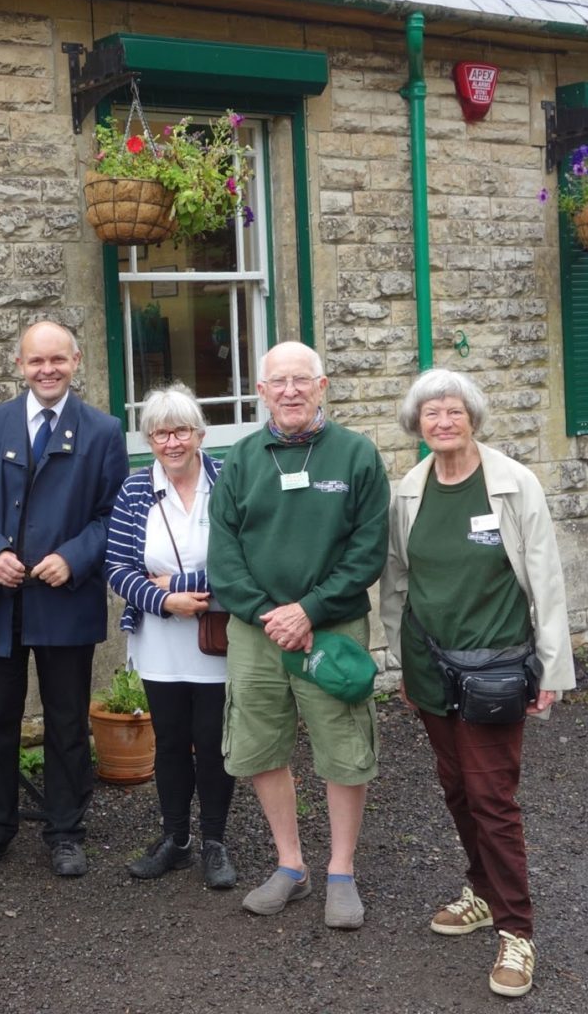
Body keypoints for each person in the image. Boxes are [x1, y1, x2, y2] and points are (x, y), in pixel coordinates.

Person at [380, 368, 575, 997]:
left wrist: (553, 666)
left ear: (473, 418)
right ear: (417, 425)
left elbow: (545, 581)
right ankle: (484, 892)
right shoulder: (409, 490)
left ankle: (518, 931)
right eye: (431, 413)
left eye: (453, 412)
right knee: (457, 788)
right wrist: (403, 663)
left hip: (495, 671)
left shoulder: (514, 485)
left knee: (493, 797)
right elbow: (397, 585)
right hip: (432, 668)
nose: (443, 422)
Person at [207, 341, 389, 930]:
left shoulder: (357, 455)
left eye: (300, 380)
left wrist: (308, 610)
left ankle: (341, 870)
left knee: (343, 751)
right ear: (260, 391)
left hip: (331, 631)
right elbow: (224, 553)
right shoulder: (240, 459)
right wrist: (270, 614)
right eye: (277, 381)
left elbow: (367, 552)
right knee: (262, 747)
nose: (289, 391)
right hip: (257, 633)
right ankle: (290, 865)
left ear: (322, 385)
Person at [0, 320, 129, 877]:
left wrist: (73, 556)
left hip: (64, 600)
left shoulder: (103, 431)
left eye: (58, 360)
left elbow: (112, 515)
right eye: (35, 361)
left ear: (77, 361)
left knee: (67, 722)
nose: (47, 370)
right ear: (18, 366)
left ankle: (66, 831)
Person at [104, 383, 237, 889]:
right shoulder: (135, 490)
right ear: (149, 440)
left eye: (180, 430)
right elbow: (116, 567)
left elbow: (242, 564)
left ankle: (215, 842)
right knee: (171, 744)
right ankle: (176, 840)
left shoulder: (227, 482)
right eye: (160, 433)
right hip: (160, 639)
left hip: (217, 637)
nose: (171, 442)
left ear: (200, 434)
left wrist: (177, 586)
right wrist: (163, 600)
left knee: (214, 741)